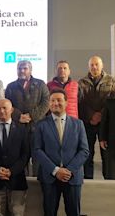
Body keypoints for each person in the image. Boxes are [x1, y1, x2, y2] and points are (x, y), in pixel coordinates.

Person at [34, 88, 89, 216]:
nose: (55, 103)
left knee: (73, 212)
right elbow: (37, 150)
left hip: (72, 176)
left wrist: (68, 170)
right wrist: (56, 170)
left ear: (66, 102)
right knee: (49, 212)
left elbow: (84, 150)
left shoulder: (78, 124)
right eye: (52, 100)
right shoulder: (41, 125)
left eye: (59, 100)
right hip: (49, 176)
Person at [0, 99, 30, 216]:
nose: (1, 111)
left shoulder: (22, 129)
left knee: (17, 213)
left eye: (4, 108)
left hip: (17, 181)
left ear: (12, 110)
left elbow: (26, 154)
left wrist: (12, 171)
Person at [5, 60, 49, 176]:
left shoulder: (41, 84)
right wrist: (19, 116)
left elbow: (46, 103)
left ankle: (37, 183)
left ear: (30, 70)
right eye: (19, 68)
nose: (22, 70)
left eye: (25, 68)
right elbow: (8, 105)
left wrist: (31, 116)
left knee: (38, 159)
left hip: (37, 127)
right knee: (19, 159)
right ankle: (21, 187)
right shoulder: (10, 86)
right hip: (18, 128)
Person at [78, 55, 115, 179]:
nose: (94, 67)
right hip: (88, 122)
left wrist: (101, 115)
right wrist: (92, 115)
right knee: (87, 152)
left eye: (96, 64)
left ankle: (108, 179)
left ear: (102, 65)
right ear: (88, 67)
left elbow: (112, 100)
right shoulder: (81, 82)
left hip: (106, 123)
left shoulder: (111, 81)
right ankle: (88, 178)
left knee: (106, 152)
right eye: (91, 65)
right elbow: (81, 102)